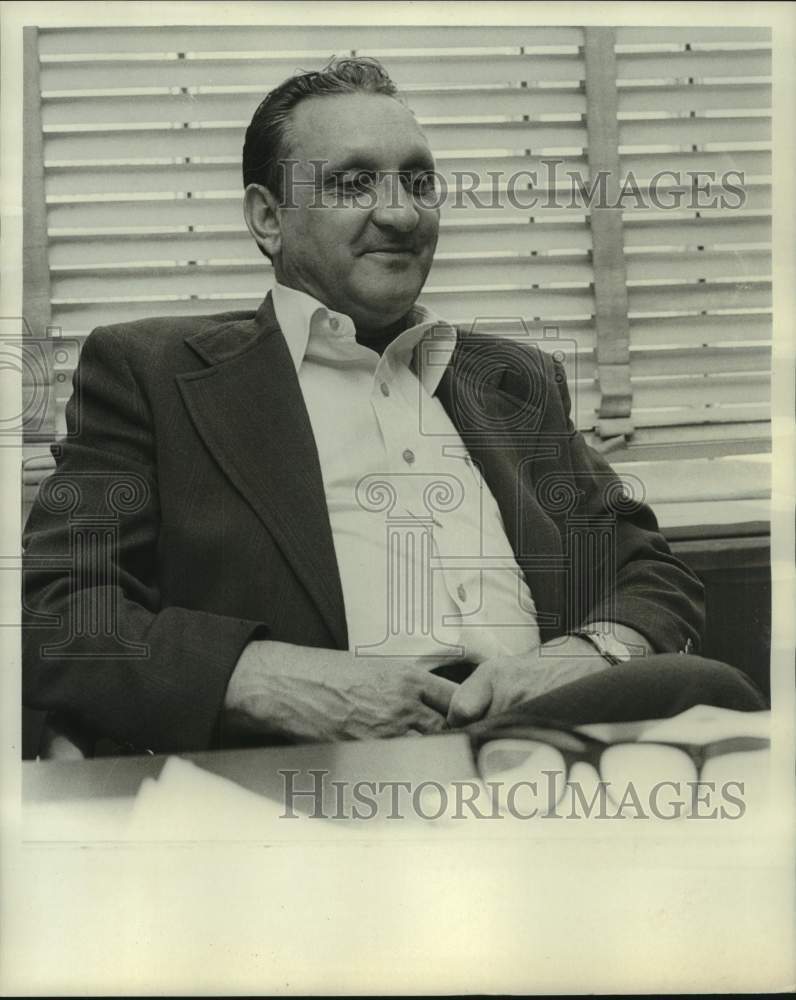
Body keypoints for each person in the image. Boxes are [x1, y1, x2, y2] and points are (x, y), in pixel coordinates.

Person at [21, 58, 765, 757]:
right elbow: (58, 612)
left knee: (713, 699)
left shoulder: (512, 380)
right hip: (310, 788)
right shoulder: (151, 375)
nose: (402, 214)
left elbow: (649, 574)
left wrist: (573, 660)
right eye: (352, 184)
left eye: (419, 181)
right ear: (267, 218)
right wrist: (267, 680)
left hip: (543, 762)